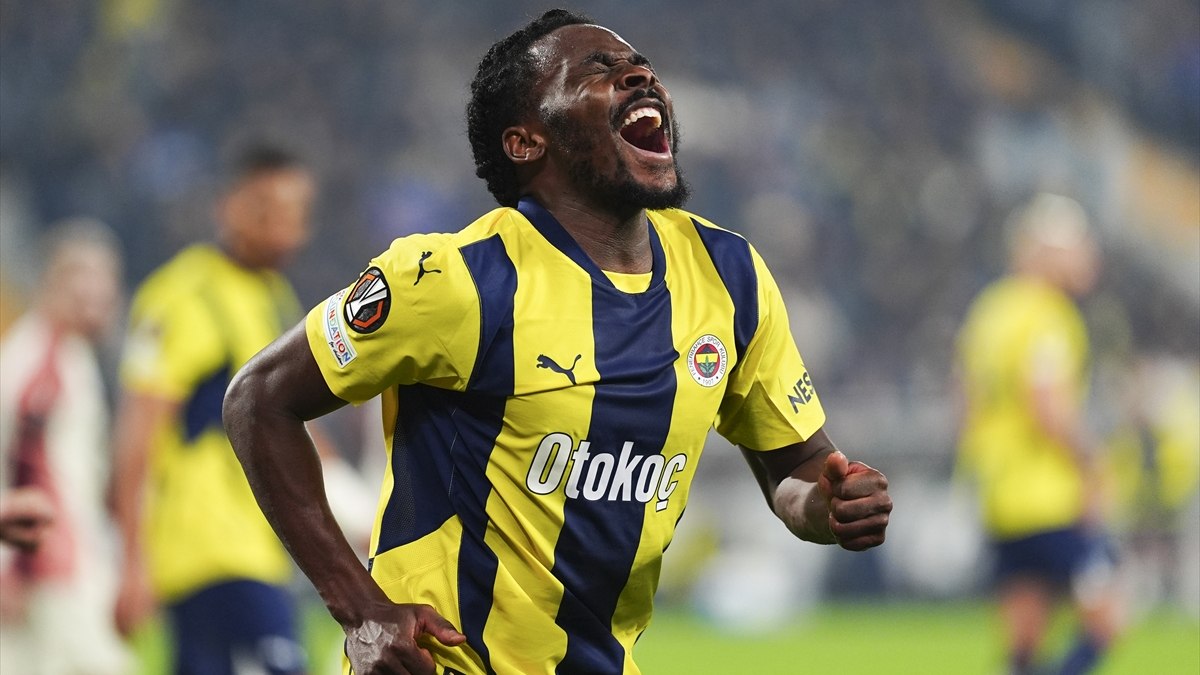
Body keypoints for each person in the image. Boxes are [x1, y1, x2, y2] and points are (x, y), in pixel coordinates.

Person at [223, 10, 892, 675]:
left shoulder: (730, 276)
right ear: (526, 142)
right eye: (598, 70)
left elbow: (796, 469)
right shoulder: (456, 279)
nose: (640, 75)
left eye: (640, 65)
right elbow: (257, 398)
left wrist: (830, 505)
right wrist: (360, 608)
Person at [111, 144, 316, 674]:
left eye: (295, 214)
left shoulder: (274, 297)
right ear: (228, 206)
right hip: (203, 549)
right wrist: (131, 561)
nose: (284, 229)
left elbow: (294, 420)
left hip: (261, 544)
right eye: (267, 211)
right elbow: (136, 436)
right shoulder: (182, 296)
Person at [955, 193, 1121, 675]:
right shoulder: (1048, 314)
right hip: (1051, 501)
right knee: (1109, 615)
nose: (1087, 258)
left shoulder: (990, 311)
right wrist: (1093, 465)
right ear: (1045, 252)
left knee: (1024, 641)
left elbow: (965, 402)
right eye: (1076, 248)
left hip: (1000, 500)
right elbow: (1047, 407)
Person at [0, 218, 129, 674]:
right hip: (50, 566)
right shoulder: (43, 359)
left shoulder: (67, 353)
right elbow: (24, 465)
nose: (103, 292)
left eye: (107, 279)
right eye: (88, 278)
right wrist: (12, 568)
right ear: (55, 283)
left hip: (62, 559)